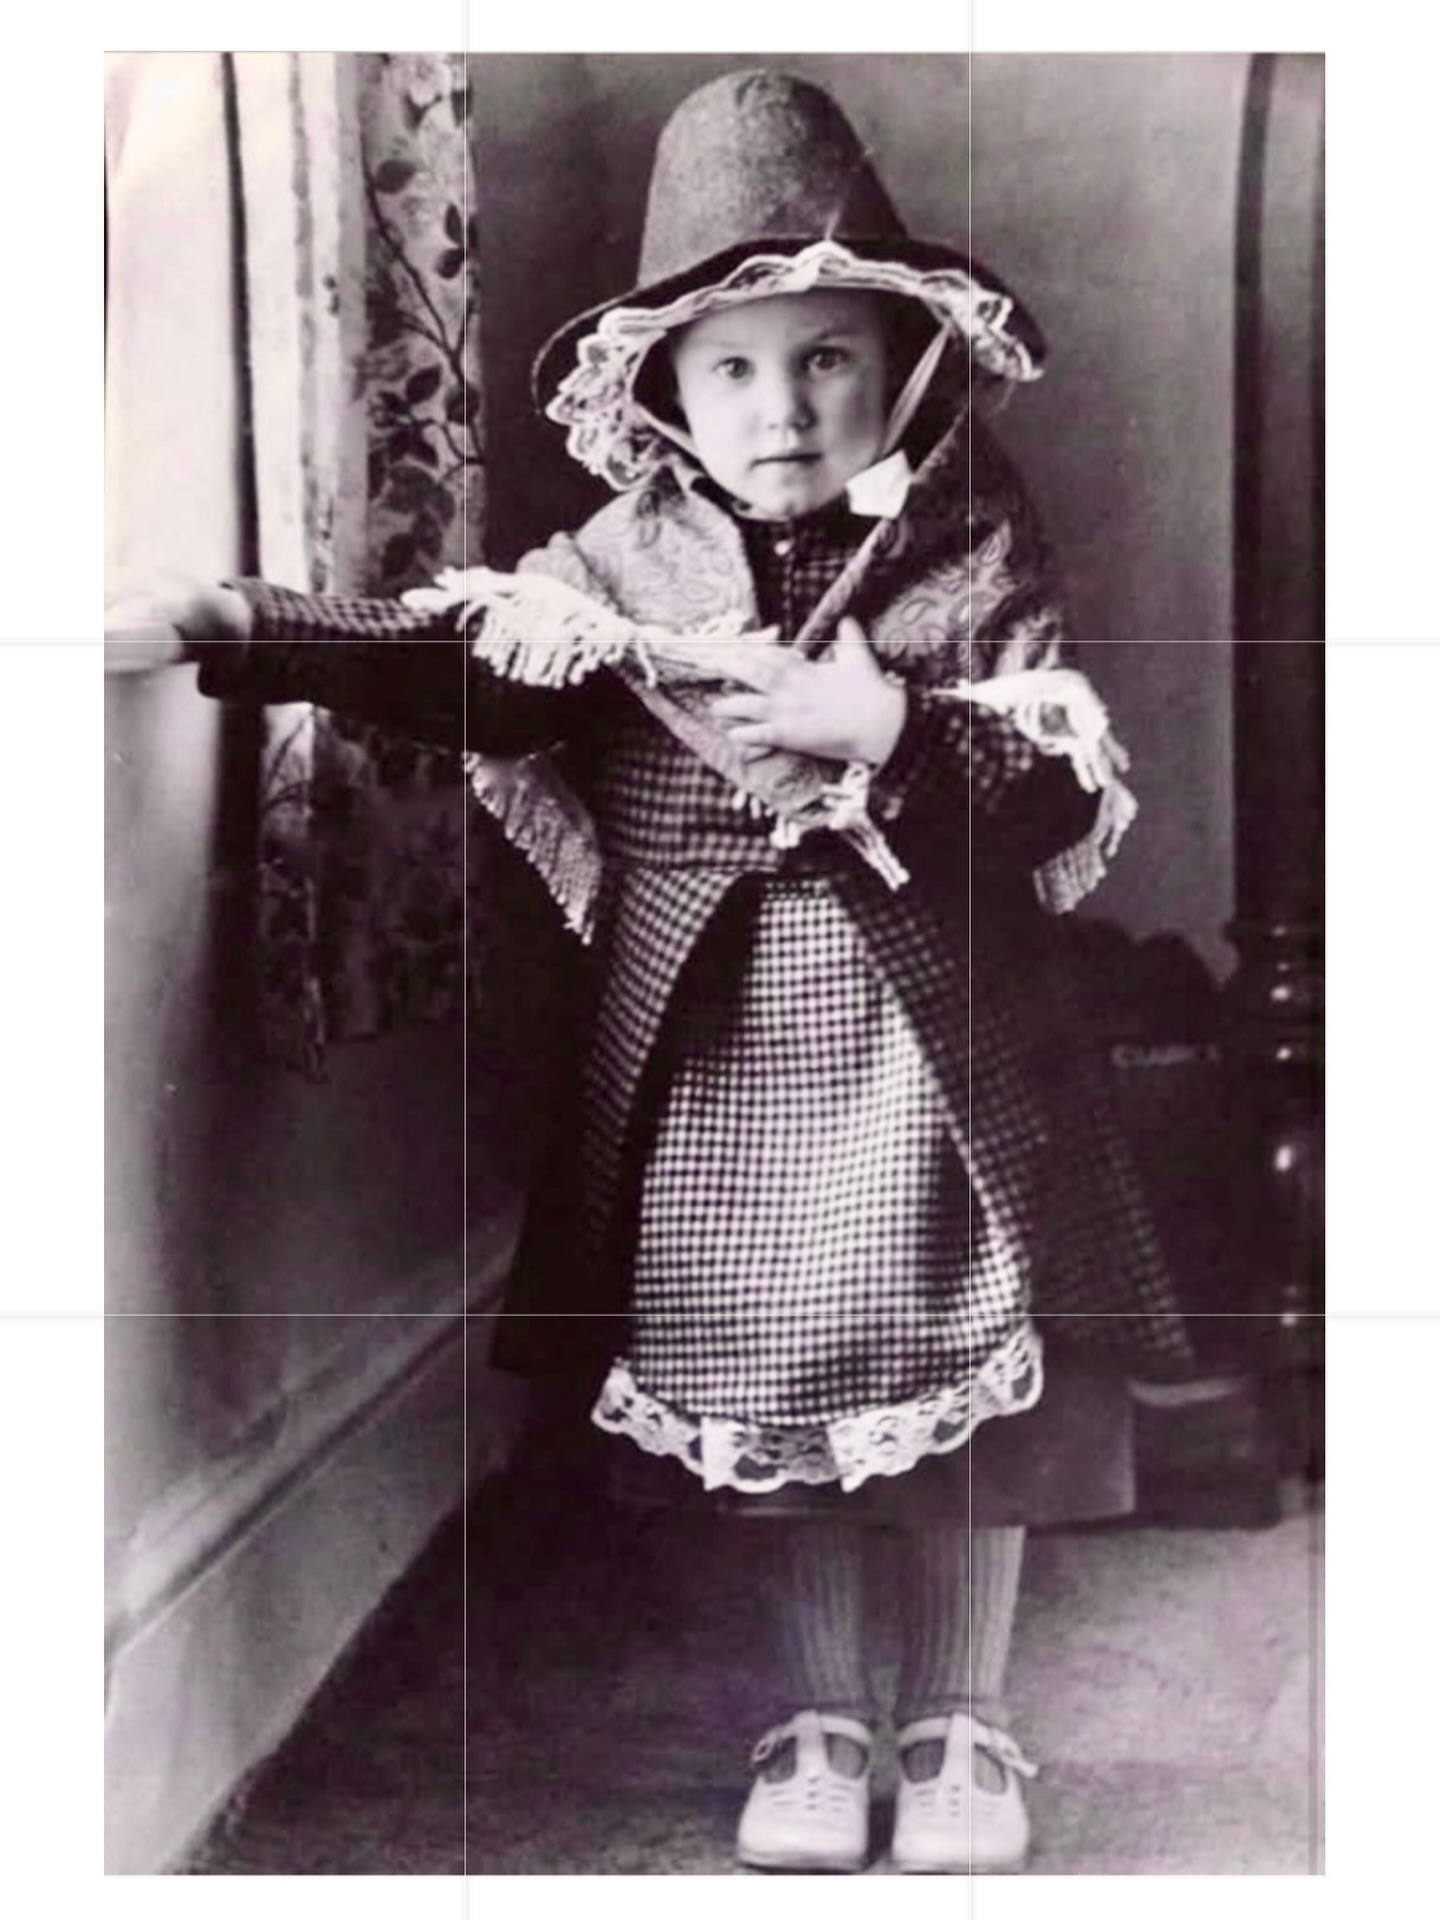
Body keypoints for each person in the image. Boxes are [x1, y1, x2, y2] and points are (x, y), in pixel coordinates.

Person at [107, 69, 1194, 1874]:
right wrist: (246, 627)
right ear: (667, 394)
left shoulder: (970, 537)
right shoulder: (625, 561)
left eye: (829, 359)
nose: (785, 410)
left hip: (931, 1042)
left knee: (953, 1352)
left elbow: (1054, 775)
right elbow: (473, 663)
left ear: (906, 365)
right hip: (723, 1056)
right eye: (737, 368)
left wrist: (892, 720)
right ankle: (824, 1714)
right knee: (763, 1371)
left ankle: (965, 1724)